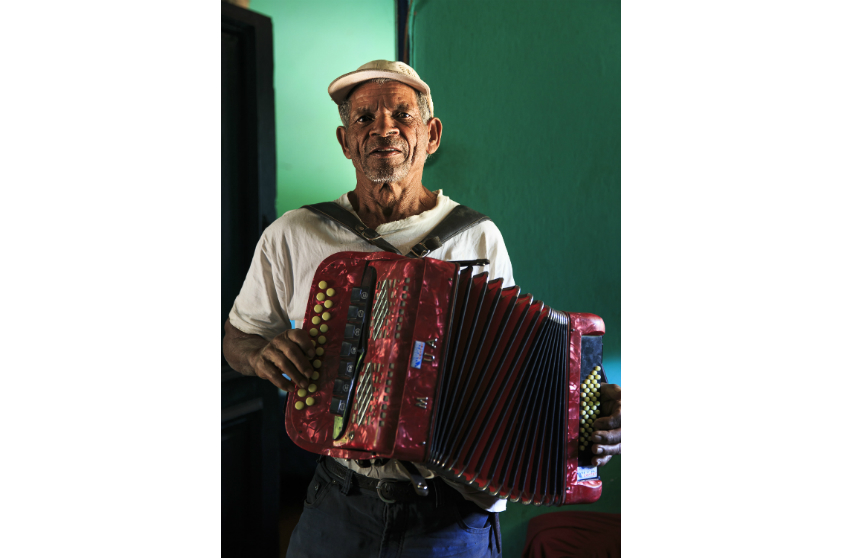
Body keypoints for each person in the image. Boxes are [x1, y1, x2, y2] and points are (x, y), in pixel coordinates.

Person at [222, 60, 621, 558]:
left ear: (430, 134)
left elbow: (517, 365)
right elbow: (237, 339)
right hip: (339, 505)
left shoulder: (477, 236)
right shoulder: (294, 234)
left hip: (452, 513)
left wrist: (582, 417)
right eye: (364, 118)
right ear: (346, 142)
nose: (383, 128)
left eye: (401, 115)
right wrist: (260, 356)